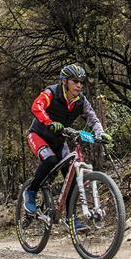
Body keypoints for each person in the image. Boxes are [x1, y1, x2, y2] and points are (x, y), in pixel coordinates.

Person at [23, 63, 112, 214]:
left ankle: (72, 218)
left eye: (81, 82)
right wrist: (49, 122)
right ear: (64, 81)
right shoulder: (51, 92)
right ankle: (30, 192)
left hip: (58, 139)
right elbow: (37, 106)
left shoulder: (81, 101)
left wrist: (100, 133)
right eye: (75, 81)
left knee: (70, 174)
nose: (78, 85)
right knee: (50, 160)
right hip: (38, 135)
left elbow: (92, 118)